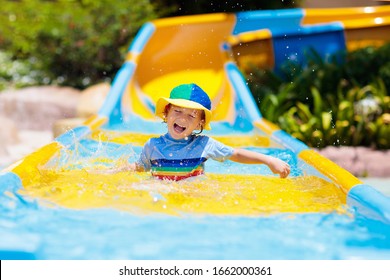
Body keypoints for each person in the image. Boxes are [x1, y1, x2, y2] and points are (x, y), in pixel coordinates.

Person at [123, 83, 290, 181]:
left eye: (191, 115)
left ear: (199, 123)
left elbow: (236, 154)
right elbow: (140, 167)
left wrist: (268, 160)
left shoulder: (203, 145)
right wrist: (116, 170)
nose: (183, 119)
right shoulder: (152, 146)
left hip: (192, 196)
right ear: (166, 113)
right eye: (178, 111)